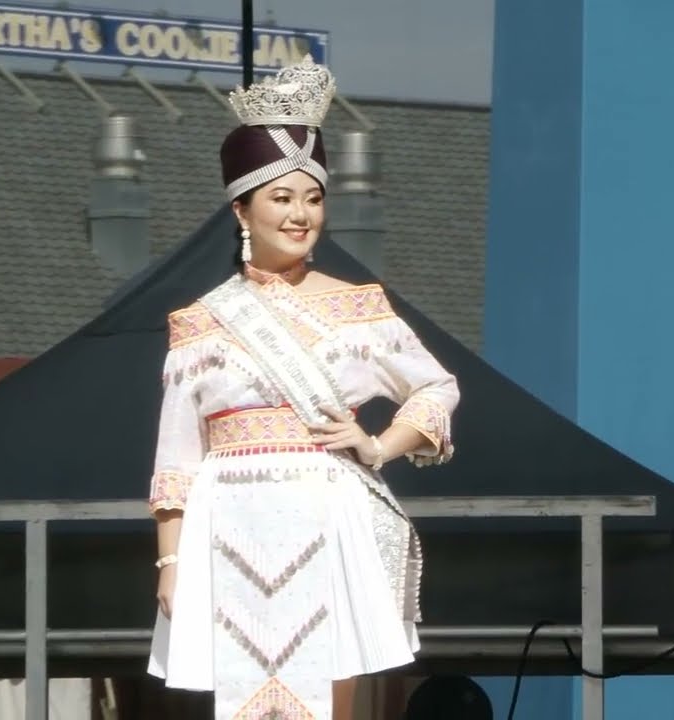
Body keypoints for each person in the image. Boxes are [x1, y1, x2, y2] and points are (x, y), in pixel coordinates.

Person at [145, 56, 460, 720]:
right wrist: (169, 565)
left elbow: (436, 386)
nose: (300, 215)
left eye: (313, 198)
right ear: (242, 208)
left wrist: (377, 446)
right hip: (228, 518)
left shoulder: (360, 308)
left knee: (327, 698)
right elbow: (176, 460)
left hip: (325, 510)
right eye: (281, 198)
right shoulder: (200, 323)